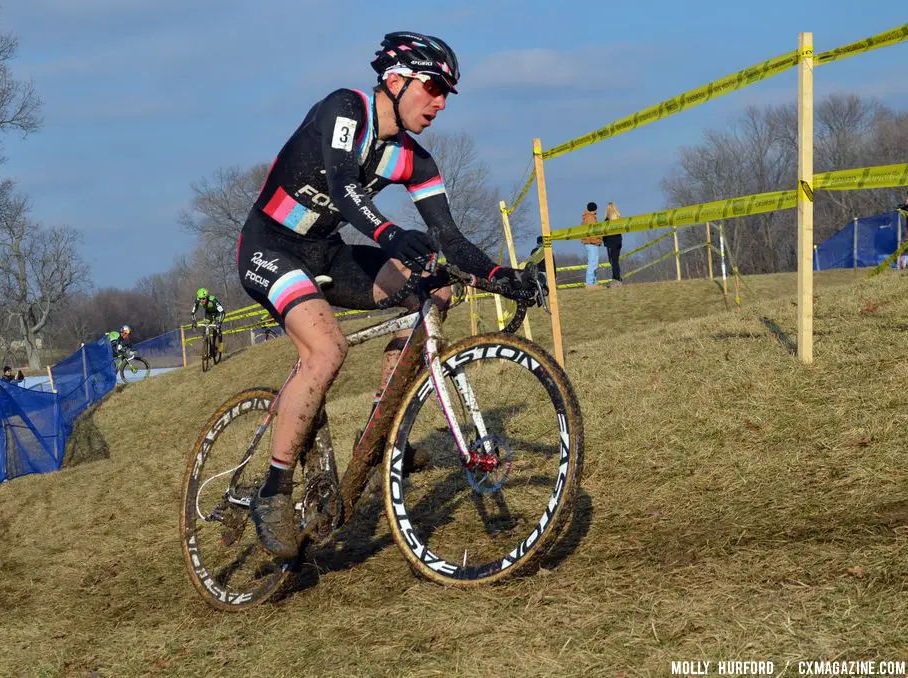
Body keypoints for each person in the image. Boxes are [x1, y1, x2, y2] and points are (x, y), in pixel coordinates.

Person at [235, 31, 538, 558]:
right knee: (327, 349)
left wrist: (499, 274)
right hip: (269, 246)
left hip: (325, 253)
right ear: (395, 80)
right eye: (434, 87)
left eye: (447, 93)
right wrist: (392, 235)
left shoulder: (414, 160)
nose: (441, 103)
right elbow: (344, 189)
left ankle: (378, 434)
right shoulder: (344, 110)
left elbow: (450, 239)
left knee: (432, 293)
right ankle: (274, 491)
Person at [581, 202, 602, 288]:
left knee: (594, 263)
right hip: (592, 243)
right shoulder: (590, 218)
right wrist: (597, 241)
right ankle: (590, 282)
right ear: (595, 209)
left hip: (591, 243)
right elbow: (592, 232)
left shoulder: (589, 217)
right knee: (593, 263)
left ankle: (593, 282)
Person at [603, 202, 624, 286]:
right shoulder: (619, 219)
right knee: (616, 261)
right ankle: (616, 278)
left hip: (611, 243)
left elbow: (604, 232)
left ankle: (617, 279)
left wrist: (605, 242)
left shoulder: (607, 220)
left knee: (613, 261)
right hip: (618, 241)